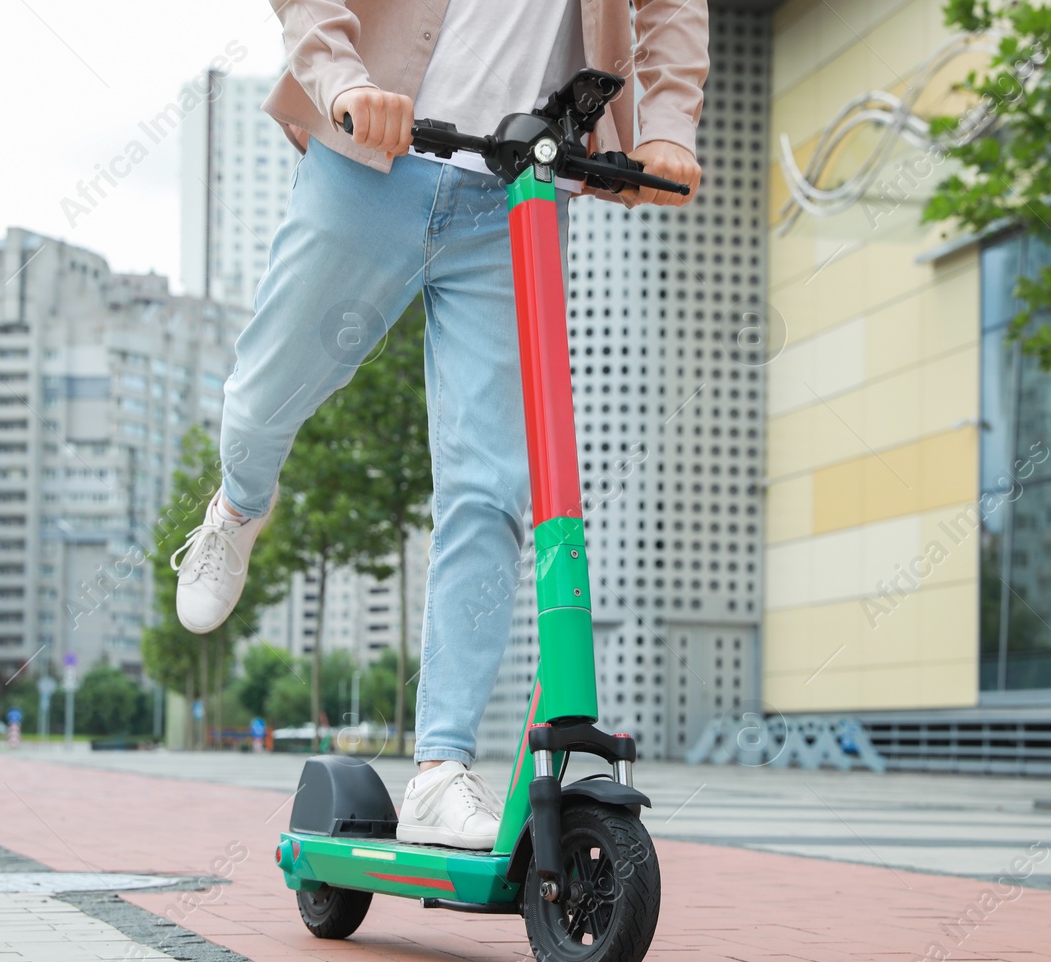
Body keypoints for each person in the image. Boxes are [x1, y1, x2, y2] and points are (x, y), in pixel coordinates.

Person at [170, 0, 709, 849]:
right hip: (371, 162)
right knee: (264, 398)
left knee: (491, 487)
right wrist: (343, 77)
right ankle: (236, 509)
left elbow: (672, 6)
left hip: (518, 191)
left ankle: (440, 766)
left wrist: (670, 120)